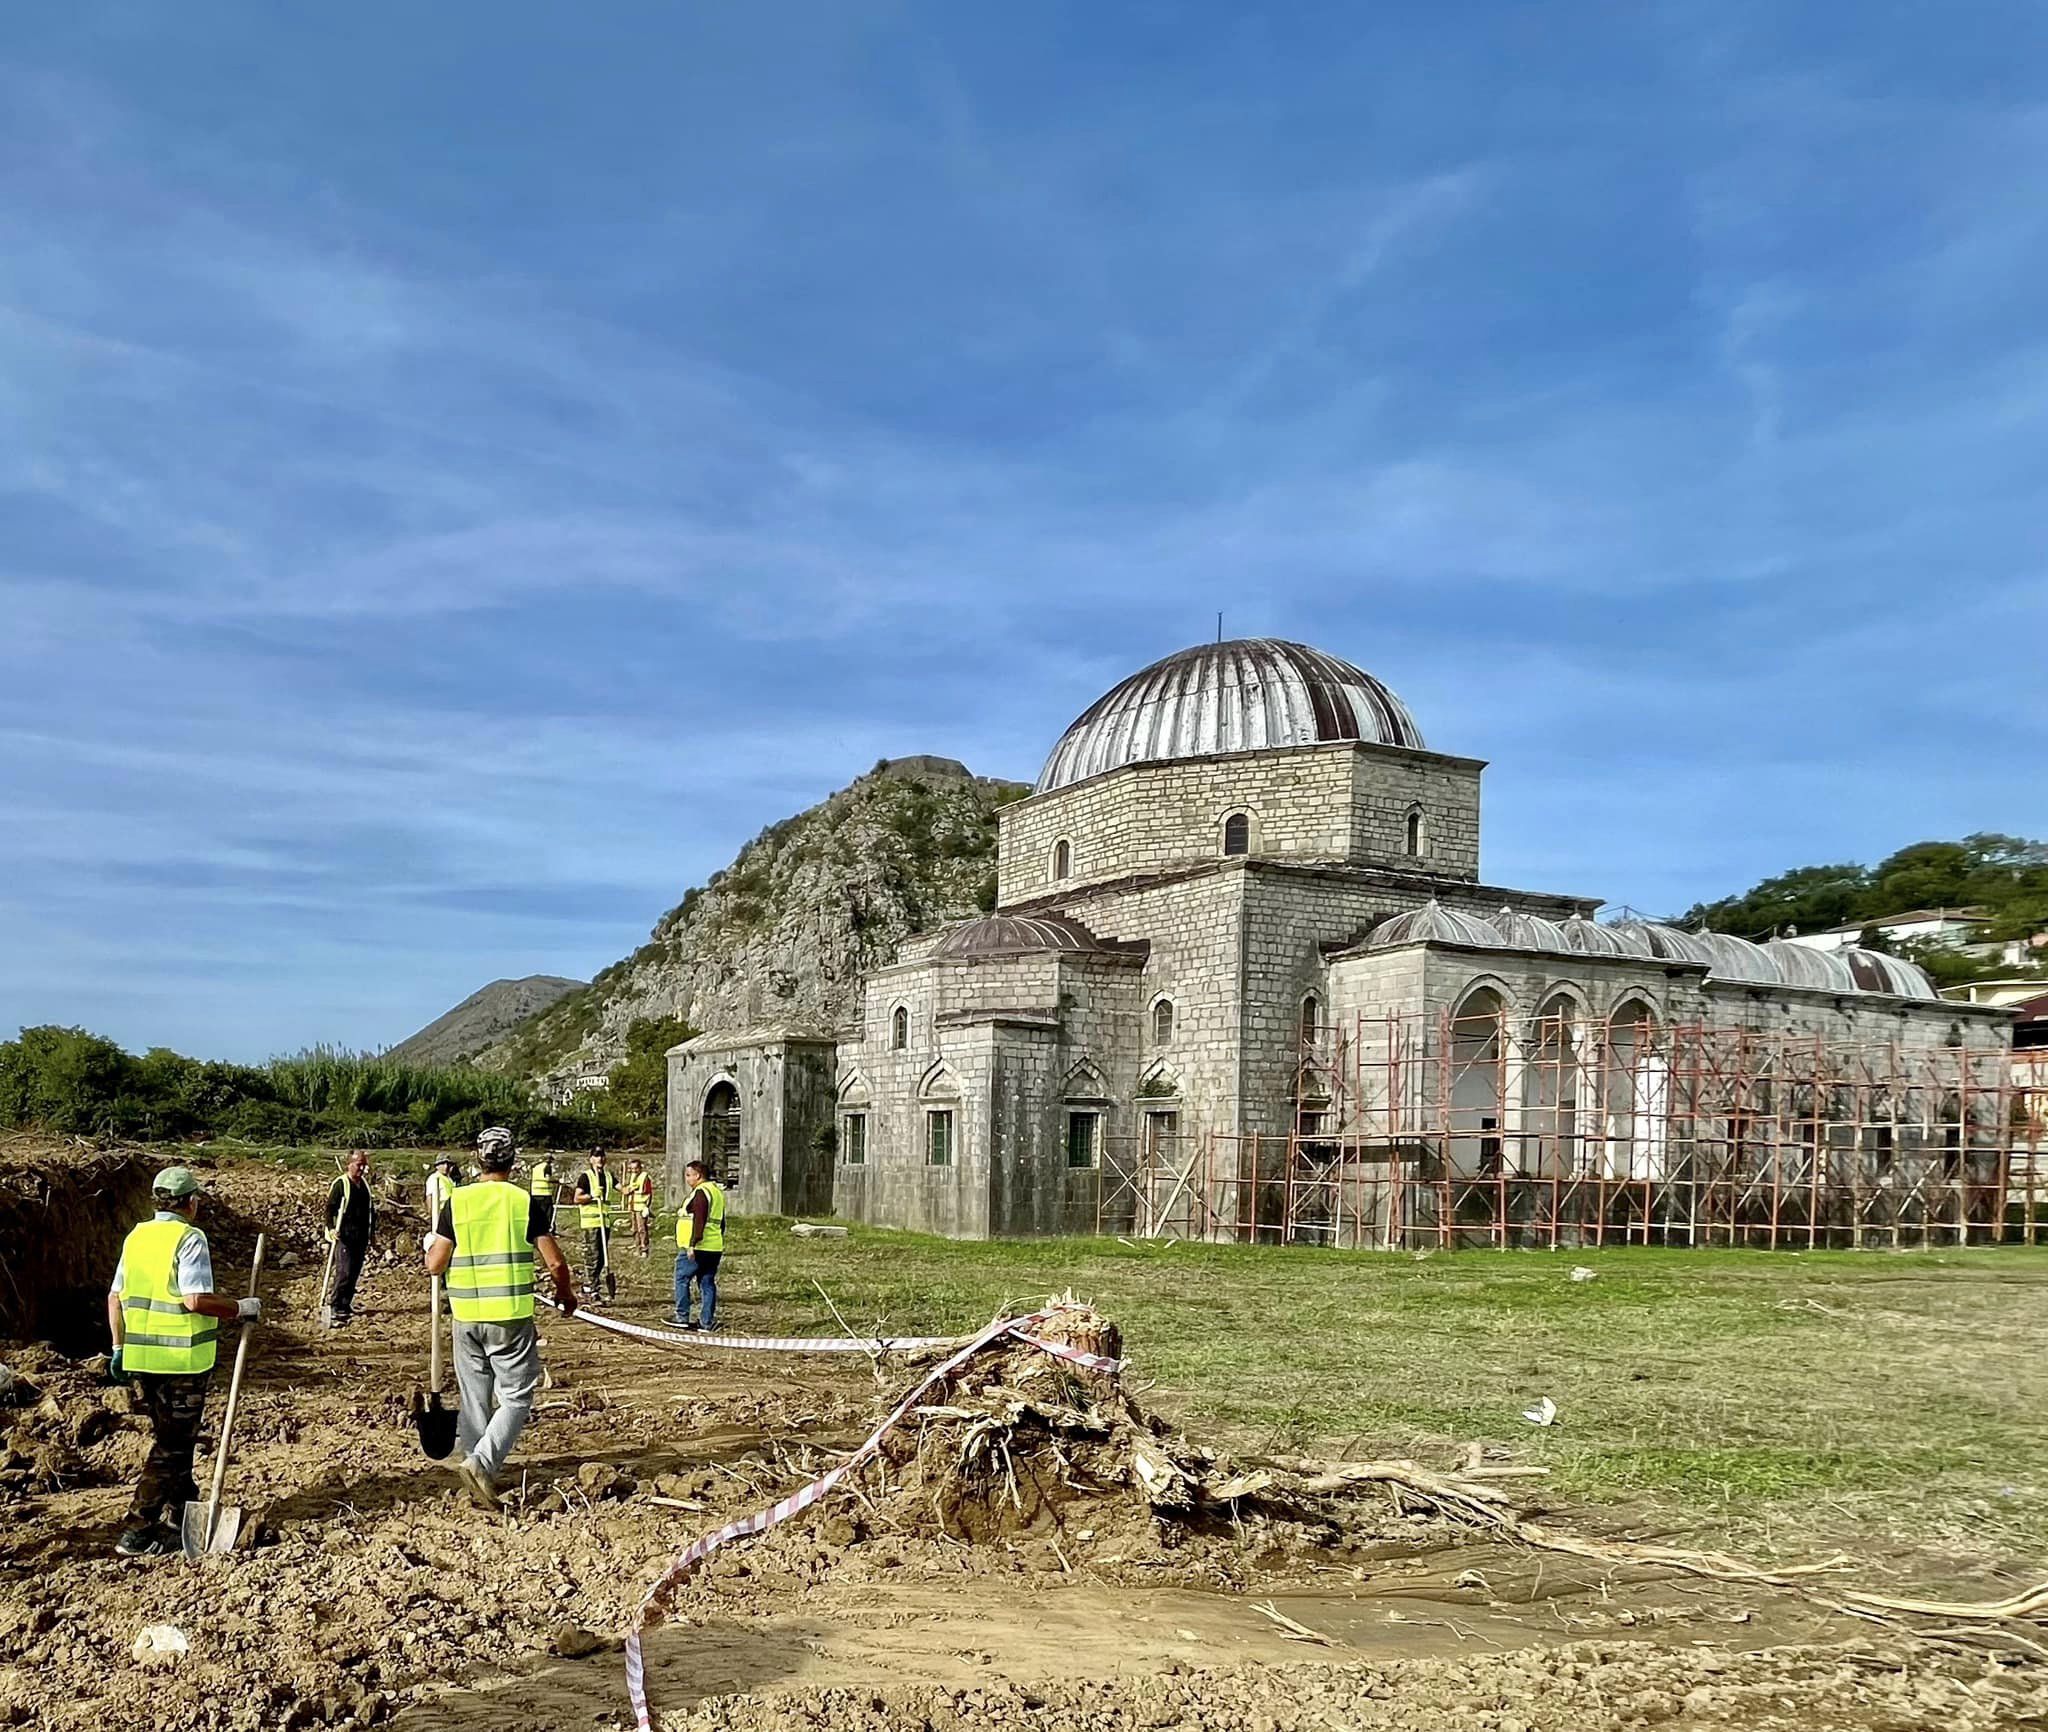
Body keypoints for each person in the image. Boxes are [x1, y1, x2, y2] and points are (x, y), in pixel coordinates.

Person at [105, 1167, 261, 1556]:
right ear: (190, 1202)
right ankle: (137, 1531)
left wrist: (118, 1347)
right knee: (171, 1447)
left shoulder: (137, 1237)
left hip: (143, 1359)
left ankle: (180, 1511)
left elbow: (115, 1297)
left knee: (175, 1440)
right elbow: (194, 1300)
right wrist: (240, 1307)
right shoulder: (189, 1239)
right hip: (182, 1363)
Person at [423, 1125, 575, 1510]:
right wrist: (565, 1294)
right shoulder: (522, 1202)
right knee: (516, 1397)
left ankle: (475, 1470)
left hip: (466, 1317)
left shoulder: (457, 1202)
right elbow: (555, 1261)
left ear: (478, 1159)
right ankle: (481, 1464)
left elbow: (435, 1264)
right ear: (513, 1159)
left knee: (475, 1399)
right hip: (509, 1317)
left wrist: (430, 1247)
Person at [669, 1159, 726, 1331]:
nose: (687, 1179)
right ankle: (706, 1322)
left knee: (682, 1278)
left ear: (698, 1175)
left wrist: (692, 1243)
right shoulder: (716, 1192)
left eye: (688, 1175)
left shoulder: (701, 1193)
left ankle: (681, 1316)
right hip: (714, 1245)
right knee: (707, 1282)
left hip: (699, 1246)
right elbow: (721, 1221)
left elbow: (699, 1219)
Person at [323, 1150, 375, 1327]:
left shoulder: (364, 1185)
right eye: (359, 1164)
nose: (362, 1168)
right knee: (344, 1272)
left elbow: (370, 1212)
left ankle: (346, 1304)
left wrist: (371, 1234)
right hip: (344, 1236)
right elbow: (329, 1209)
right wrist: (330, 1229)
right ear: (349, 1164)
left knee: (354, 1273)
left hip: (360, 1236)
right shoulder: (341, 1184)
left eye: (364, 1164)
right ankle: (335, 1304)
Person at [571, 1147, 619, 1298]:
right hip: (590, 1223)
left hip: (604, 1222)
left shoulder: (608, 1176)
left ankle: (593, 1285)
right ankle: (589, 1287)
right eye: (596, 1156)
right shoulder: (586, 1177)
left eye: (602, 1156)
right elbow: (577, 1198)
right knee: (593, 1256)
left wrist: (633, 1188)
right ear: (591, 1159)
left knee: (602, 1257)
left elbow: (622, 1189)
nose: (600, 1159)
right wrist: (592, 1196)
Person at [624, 1156, 656, 1258]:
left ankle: (644, 1249)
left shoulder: (645, 1178)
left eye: (635, 1168)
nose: (633, 1171)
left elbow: (649, 1193)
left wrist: (647, 1206)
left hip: (641, 1207)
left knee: (642, 1229)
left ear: (640, 1168)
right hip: (633, 1206)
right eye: (631, 1169)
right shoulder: (632, 1177)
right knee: (634, 1229)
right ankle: (637, 1247)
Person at [424, 1152, 460, 1220]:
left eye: (447, 1164)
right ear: (437, 1166)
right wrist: (432, 1214)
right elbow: (429, 1197)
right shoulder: (434, 1178)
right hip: (441, 1212)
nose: (446, 1166)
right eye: (443, 1164)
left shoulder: (449, 1179)